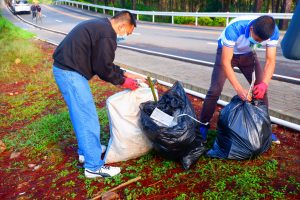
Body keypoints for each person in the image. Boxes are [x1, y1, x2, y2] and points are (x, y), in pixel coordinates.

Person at [52, 11, 145, 178]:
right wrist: (123, 82)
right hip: (70, 73)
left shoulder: (101, 26)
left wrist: (124, 74)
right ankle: (93, 166)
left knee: (81, 115)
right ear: (122, 25)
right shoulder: (107, 35)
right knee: (87, 117)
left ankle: (85, 151)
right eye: (128, 32)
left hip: (66, 69)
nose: (125, 36)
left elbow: (101, 62)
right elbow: (103, 68)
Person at [199, 15, 280, 143]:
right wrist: (239, 89)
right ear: (251, 29)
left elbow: (271, 60)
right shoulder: (235, 28)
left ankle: (265, 129)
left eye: (261, 41)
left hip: (248, 54)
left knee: (261, 90)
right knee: (215, 89)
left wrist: (264, 83)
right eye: (257, 39)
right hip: (227, 54)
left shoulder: (273, 31)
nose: (259, 43)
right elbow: (226, 62)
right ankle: (203, 124)